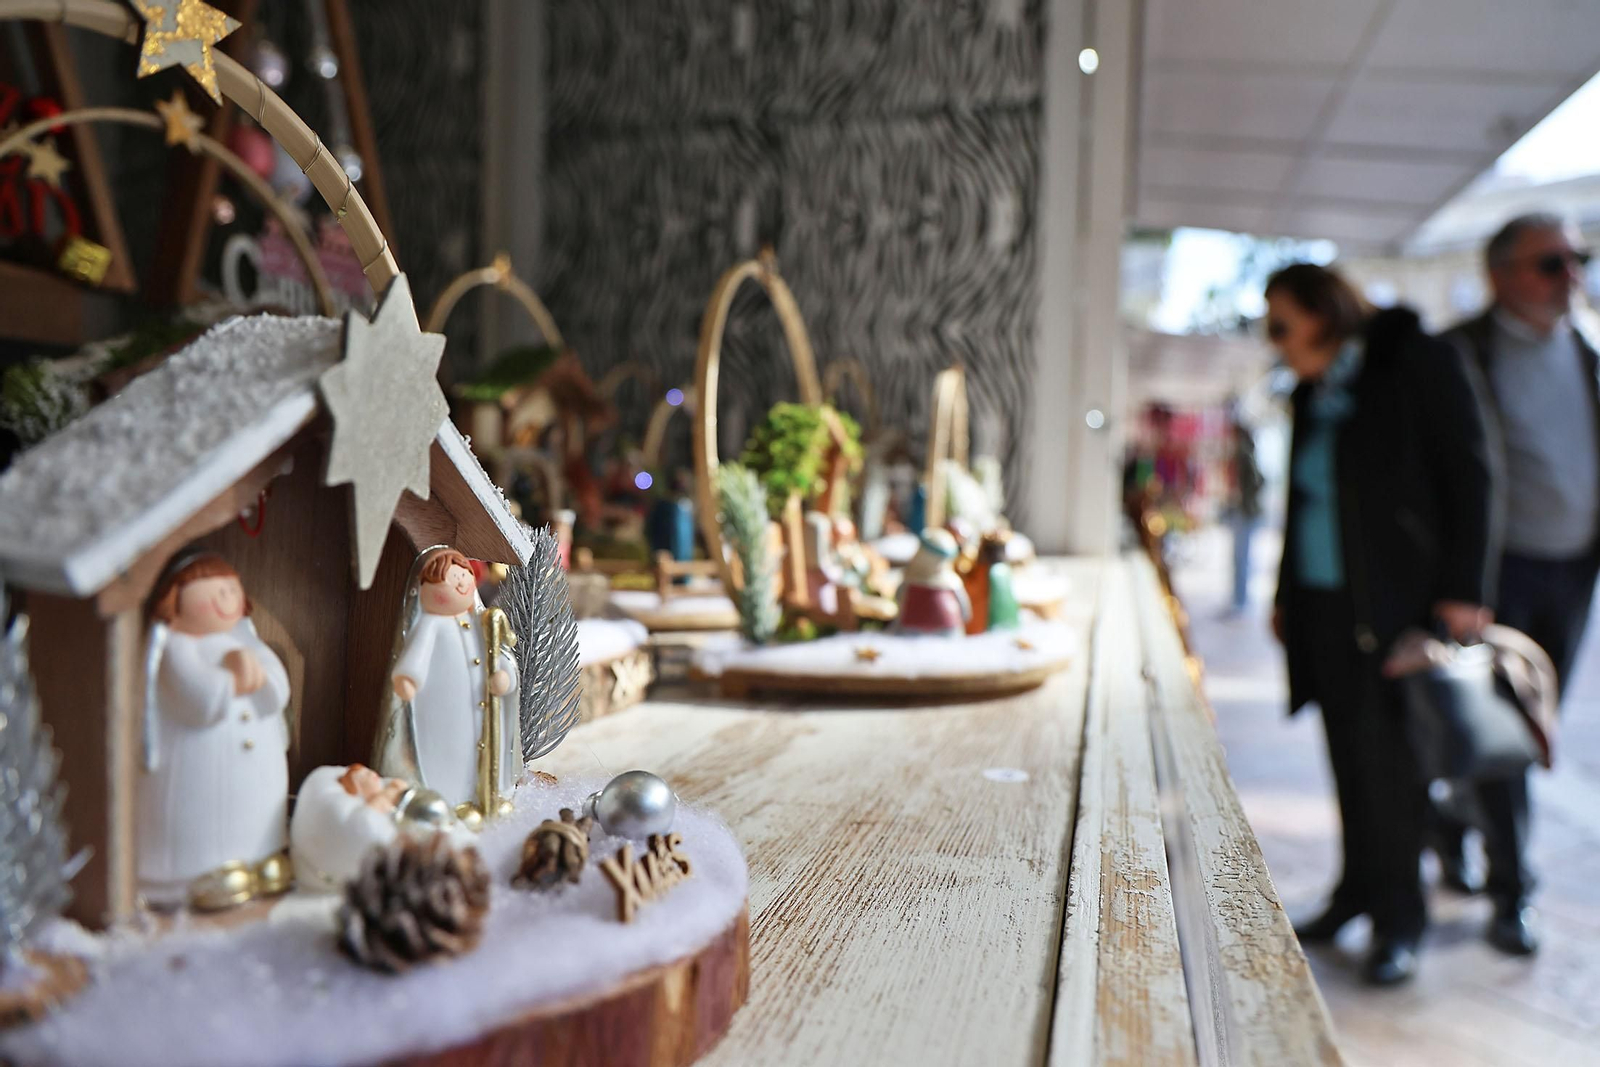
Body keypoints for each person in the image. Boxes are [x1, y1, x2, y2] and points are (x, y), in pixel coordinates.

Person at [1266, 264, 1497, 986]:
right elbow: (1304, 502)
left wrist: (1465, 589)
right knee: (1347, 757)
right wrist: (1285, 593)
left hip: (1399, 609)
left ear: (1324, 311)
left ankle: (1401, 919)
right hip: (1326, 606)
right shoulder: (1314, 388)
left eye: (1281, 324)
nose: (1274, 341)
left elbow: (1473, 471)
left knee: (1392, 769)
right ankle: (1355, 892)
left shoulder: (1414, 360)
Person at [1438, 213, 1597, 956]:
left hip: (1573, 570)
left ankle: (1451, 814)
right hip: (1496, 577)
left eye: (1577, 259)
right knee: (1506, 733)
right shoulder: (1463, 352)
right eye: (1550, 262)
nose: (1570, 274)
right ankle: (1512, 891)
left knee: (1535, 727)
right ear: (1500, 273)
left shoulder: (1589, 350)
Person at [1225, 413, 1265, 613]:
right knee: (1240, 557)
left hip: (1245, 512)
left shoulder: (1245, 454)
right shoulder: (1243, 454)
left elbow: (1259, 481)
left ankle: (1240, 602)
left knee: (1242, 557)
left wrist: (1245, 499)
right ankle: (1238, 600)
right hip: (1243, 510)